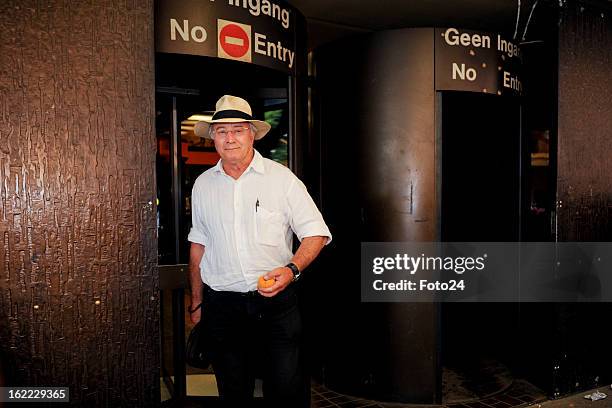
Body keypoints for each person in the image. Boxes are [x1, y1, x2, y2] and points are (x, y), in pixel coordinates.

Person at [187, 95, 331, 407]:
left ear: (252, 134)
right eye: (221, 131)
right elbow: (199, 243)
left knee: (284, 392)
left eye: (237, 129)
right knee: (232, 391)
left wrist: (291, 270)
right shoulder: (202, 185)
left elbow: (316, 234)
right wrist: (197, 303)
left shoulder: (282, 180)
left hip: (275, 306)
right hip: (222, 306)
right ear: (213, 139)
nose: (230, 138)